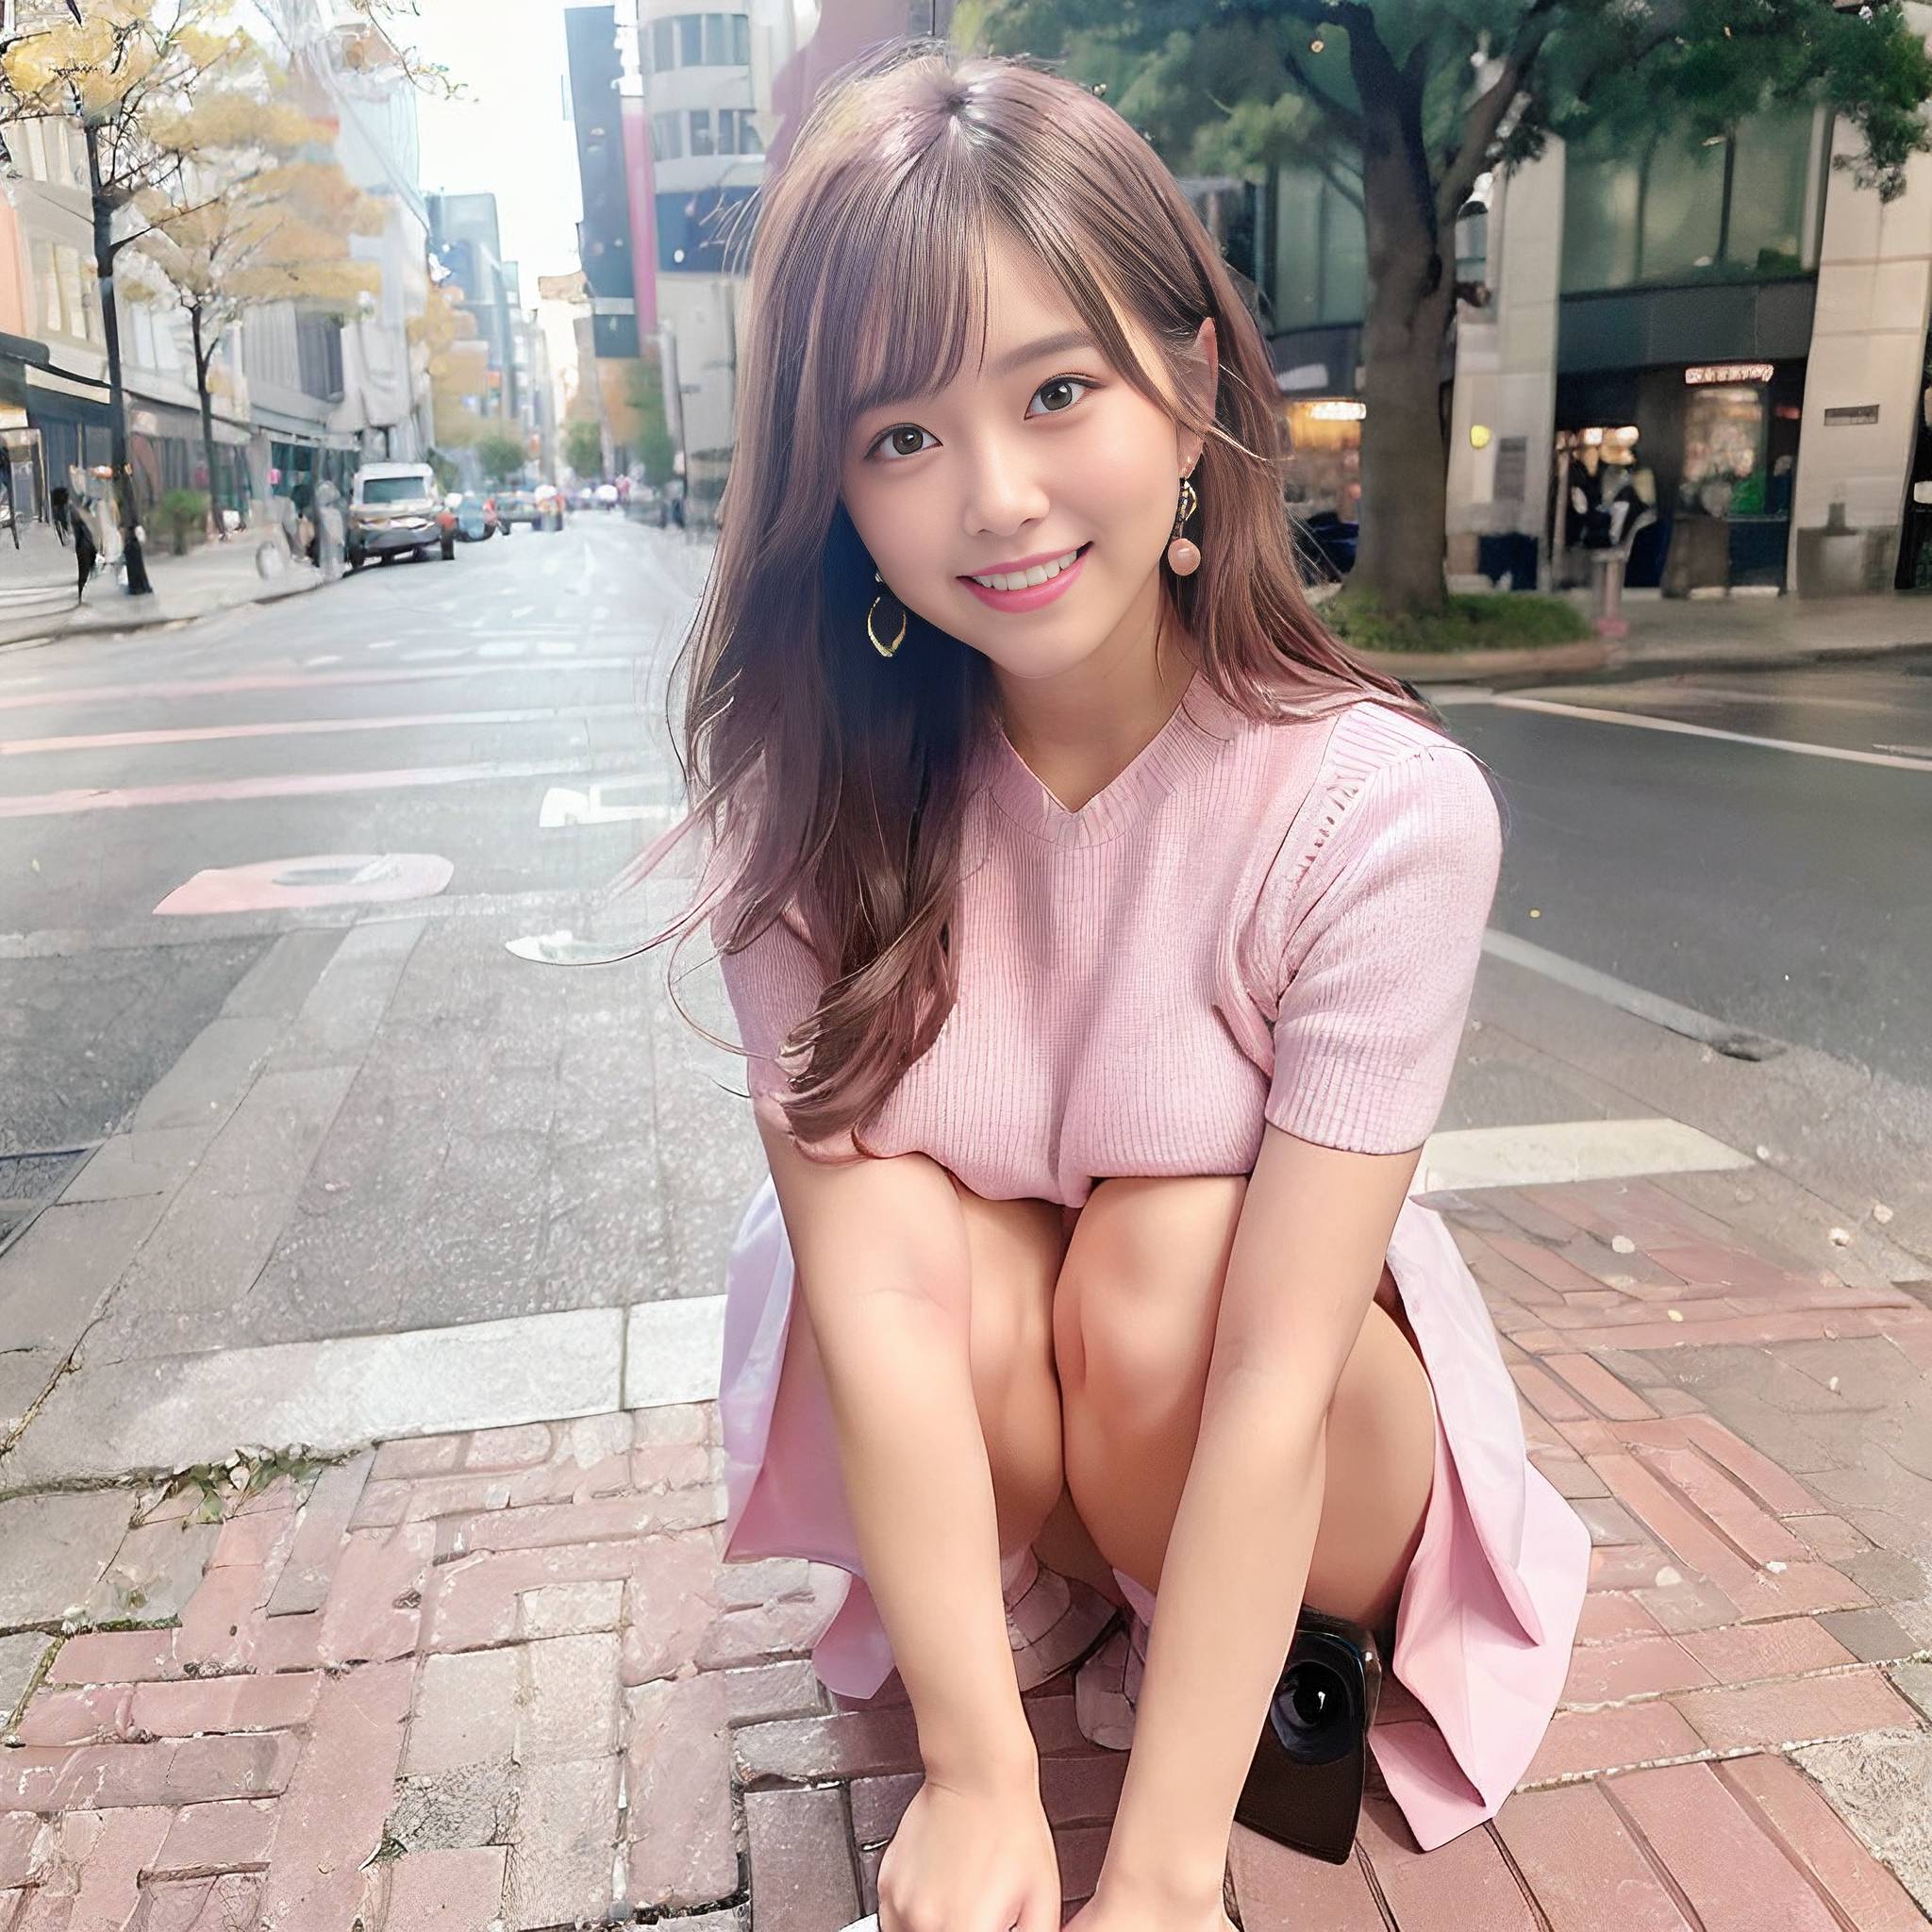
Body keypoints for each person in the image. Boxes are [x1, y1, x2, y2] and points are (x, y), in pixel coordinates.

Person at [610, 44, 1589, 1932]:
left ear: (1192, 388)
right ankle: (1042, 1611)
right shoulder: (806, 818)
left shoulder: (1372, 813)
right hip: (998, 1430)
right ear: (837, 492)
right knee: (903, 1247)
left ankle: (1233, 1648)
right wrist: (978, 1779)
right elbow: (879, 1305)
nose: (996, 497)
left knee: (1161, 1273)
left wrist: (1155, 1874)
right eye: (900, 437)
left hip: (1272, 1428)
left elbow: (1274, 1369)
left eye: (1056, 391)